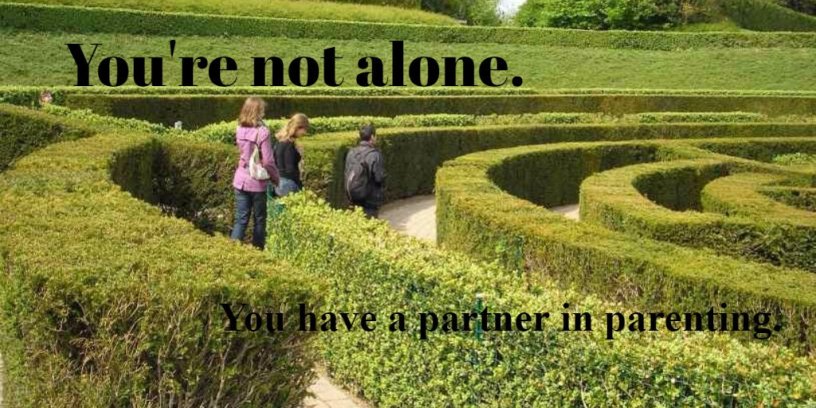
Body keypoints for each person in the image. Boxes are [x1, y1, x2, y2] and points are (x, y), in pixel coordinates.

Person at [230, 97, 280, 250]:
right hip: (257, 182)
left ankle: (232, 251)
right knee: (259, 220)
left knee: (241, 219)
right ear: (257, 112)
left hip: (240, 178)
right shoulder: (262, 132)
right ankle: (257, 252)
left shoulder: (239, 129)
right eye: (262, 110)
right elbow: (268, 161)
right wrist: (276, 178)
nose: (264, 113)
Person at [344, 124, 385, 218]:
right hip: (370, 201)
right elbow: (379, 178)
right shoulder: (374, 155)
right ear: (372, 137)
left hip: (352, 196)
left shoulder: (351, 152)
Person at [273, 113, 309, 197]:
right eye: (304, 129)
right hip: (288, 183)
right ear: (297, 127)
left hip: (278, 182)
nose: (305, 132)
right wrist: (299, 185)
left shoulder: (279, 142)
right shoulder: (289, 145)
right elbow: (290, 169)